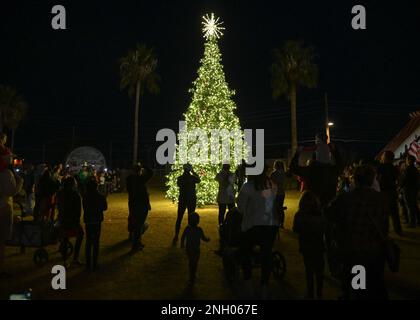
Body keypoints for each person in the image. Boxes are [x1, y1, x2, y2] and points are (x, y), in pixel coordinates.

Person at [326, 165, 389, 299]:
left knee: (357, 287)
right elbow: (385, 226)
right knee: (374, 284)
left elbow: (329, 214)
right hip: (375, 252)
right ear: (372, 180)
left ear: (355, 179)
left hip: (354, 250)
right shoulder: (382, 199)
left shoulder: (346, 198)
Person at [237, 165, 280, 299]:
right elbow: (267, 201)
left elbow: (241, 207)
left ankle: (248, 282)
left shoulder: (248, 187)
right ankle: (264, 286)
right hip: (270, 225)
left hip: (253, 226)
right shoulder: (271, 185)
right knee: (267, 254)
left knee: (245, 251)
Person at [293, 191, 326, 299]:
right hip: (318, 245)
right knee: (319, 271)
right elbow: (325, 228)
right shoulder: (320, 214)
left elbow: (295, 229)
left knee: (309, 270)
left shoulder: (300, 215)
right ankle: (319, 293)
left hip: (306, 245)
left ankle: (310, 293)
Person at [0, 153, 23, 278]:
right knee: (1, 241)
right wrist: (19, 181)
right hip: (2, 209)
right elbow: (11, 191)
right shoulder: (6, 174)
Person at [56, 177, 84, 266]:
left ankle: (64, 260)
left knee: (64, 238)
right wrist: (76, 221)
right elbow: (78, 210)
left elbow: (58, 206)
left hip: (62, 220)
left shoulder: (60, 193)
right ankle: (75, 258)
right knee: (80, 235)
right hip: (72, 221)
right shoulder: (75, 194)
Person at [126, 162, 153, 251]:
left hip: (133, 204)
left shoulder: (129, 179)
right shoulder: (141, 179)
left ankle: (136, 241)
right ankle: (135, 244)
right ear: (140, 171)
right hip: (141, 205)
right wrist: (143, 165)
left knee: (135, 222)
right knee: (140, 225)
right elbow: (151, 172)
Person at [83, 179, 108, 271]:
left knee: (89, 242)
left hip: (89, 221)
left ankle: (88, 264)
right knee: (96, 242)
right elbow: (105, 208)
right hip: (97, 220)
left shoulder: (85, 196)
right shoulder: (99, 196)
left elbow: (85, 207)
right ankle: (95, 263)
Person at [173, 164, 200, 244]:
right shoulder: (193, 178)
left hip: (182, 200)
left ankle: (176, 235)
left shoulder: (180, 178)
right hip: (191, 199)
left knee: (179, 217)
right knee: (191, 218)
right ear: (190, 170)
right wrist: (193, 172)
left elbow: (179, 185)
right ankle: (189, 236)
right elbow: (199, 180)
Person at [377, 151, 402, 235]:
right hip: (393, 191)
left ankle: (385, 231)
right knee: (395, 212)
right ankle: (398, 230)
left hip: (384, 192)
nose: (381, 157)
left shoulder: (381, 167)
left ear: (385, 157)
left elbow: (378, 179)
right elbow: (399, 179)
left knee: (384, 213)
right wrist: (397, 187)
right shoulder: (394, 168)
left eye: (383, 155)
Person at [181, 212, 210, 284]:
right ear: (198, 221)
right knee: (195, 262)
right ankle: (193, 274)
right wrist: (208, 239)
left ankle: (191, 275)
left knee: (191, 261)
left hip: (189, 248)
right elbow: (203, 238)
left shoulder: (187, 228)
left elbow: (182, 237)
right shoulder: (199, 229)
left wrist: (182, 245)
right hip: (196, 249)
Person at [401, 155, 420, 228]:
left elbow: (404, 180)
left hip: (408, 189)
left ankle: (412, 223)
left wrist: (400, 187)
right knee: (414, 205)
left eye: (406, 159)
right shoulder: (415, 169)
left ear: (409, 160)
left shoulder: (407, 169)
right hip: (414, 189)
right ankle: (418, 220)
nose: (406, 161)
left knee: (409, 206)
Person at [270, 160, 286, 228]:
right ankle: (281, 222)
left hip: (275, 193)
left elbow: (270, 183)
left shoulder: (273, 173)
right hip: (282, 192)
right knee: (280, 207)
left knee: (275, 208)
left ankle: (275, 222)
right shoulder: (284, 173)